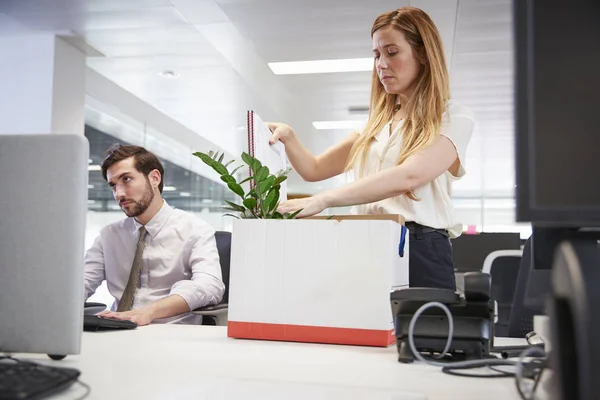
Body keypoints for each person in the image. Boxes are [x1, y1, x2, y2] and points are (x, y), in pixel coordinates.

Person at [269, 7, 475, 290]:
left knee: (420, 334)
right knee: (362, 331)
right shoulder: (375, 126)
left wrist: (325, 200)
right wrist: (289, 137)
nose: (381, 64)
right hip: (366, 243)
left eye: (392, 52)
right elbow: (314, 169)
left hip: (419, 248)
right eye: (377, 55)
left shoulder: (452, 117)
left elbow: (410, 175)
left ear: (424, 54)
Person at [84, 145, 225, 325]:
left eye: (126, 179)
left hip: (172, 335)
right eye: (113, 185)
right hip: (117, 331)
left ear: (154, 178)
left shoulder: (194, 229)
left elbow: (210, 286)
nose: (119, 194)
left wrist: (149, 312)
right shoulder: (108, 235)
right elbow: (82, 282)